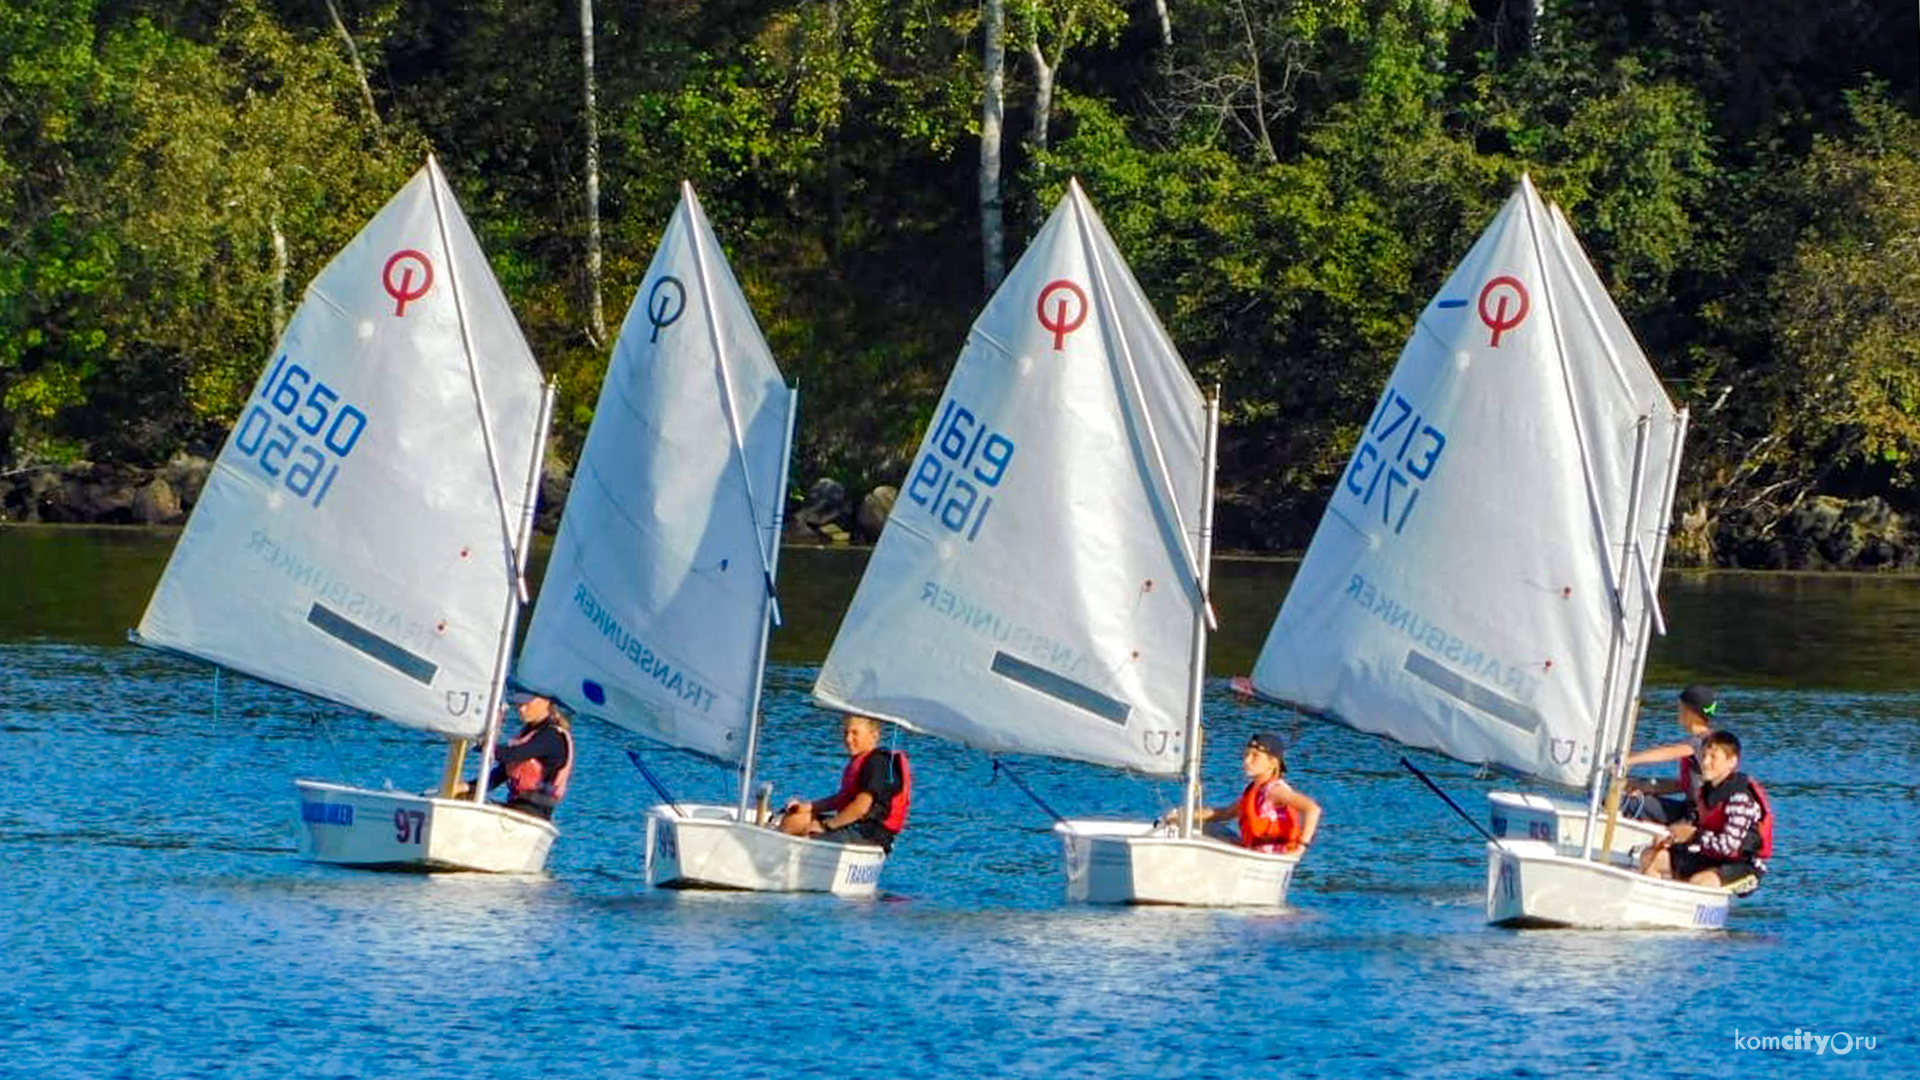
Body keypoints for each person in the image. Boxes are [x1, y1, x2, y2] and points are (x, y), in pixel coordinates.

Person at [1639, 730, 1772, 894]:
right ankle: (1653, 902)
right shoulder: (1705, 792)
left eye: (1713, 757)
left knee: (1700, 882)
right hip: (1712, 857)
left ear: (1732, 762)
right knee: (1651, 856)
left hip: (1742, 866)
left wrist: (1694, 835)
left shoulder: (1740, 799)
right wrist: (1671, 836)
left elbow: (1729, 846)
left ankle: (1685, 913)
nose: (1705, 762)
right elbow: (1695, 823)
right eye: (1704, 756)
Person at [1159, 732, 1321, 856]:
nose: (1246, 761)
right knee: (1203, 827)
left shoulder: (1275, 790)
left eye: (1255, 756)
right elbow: (1225, 813)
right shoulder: (1255, 791)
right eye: (1246, 755)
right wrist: (1182, 816)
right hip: (1253, 851)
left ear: (1273, 763)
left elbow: (1312, 809)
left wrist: (1301, 846)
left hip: (1271, 857)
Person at [778, 713, 910, 851]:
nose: (848, 739)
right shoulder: (862, 761)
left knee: (808, 838)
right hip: (854, 827)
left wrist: (826, 826)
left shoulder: (877, 763)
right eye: (845, 733)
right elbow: (841, 800)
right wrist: (808, 807)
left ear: (874, 736)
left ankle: (784, 861)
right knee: (795, 820)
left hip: (868, 834)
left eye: (855, 733)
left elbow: (860, 807)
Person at [460, 690, 575, 820]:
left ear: (545, 702)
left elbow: (511, 755)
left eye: (527, 704)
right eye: (519, 705)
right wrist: (469, 787)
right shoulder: (528, 733)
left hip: (535, 813)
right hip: (516, 806)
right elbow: (501, 774)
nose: (521, 709)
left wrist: (479, 744)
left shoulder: (552, 737)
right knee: (462, 799)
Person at [1621, 683, 1717, 823]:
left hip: (1695, 817)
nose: (1677, 712)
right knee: (1635, 800)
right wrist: (1642, 786)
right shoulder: (1709, 739)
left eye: (1680, 708)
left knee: (1623, 803)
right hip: (1688, 809)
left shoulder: (1700, 742)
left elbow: (1667, 753)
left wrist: (1628, 759)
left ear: (1690, 712)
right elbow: (1683, 786)